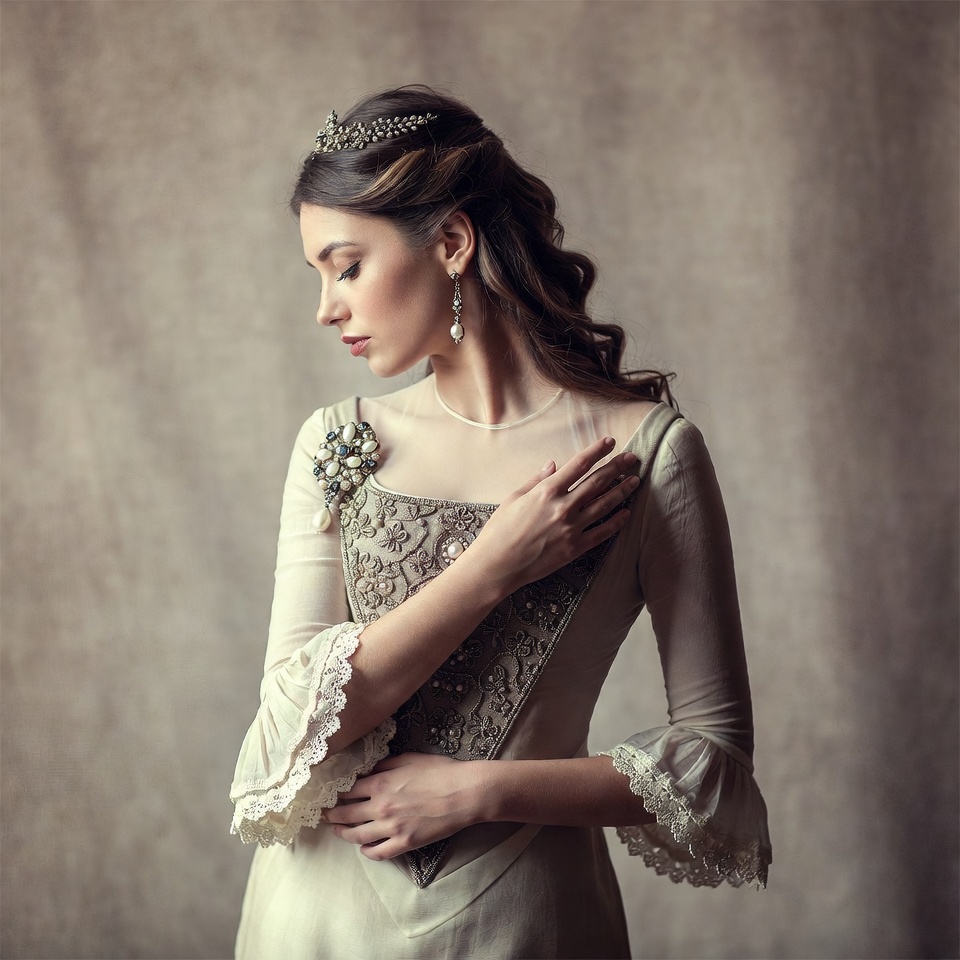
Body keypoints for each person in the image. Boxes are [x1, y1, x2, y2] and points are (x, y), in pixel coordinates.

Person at [229, 86, 771, 960]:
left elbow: (714, 762)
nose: (326, 307)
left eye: (347, 266)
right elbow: (299, 732)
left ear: (450, 243)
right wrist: (493, 566)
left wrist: (482, 791)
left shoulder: (650, 452)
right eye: (318, 275)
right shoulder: (337, 443)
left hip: (527, 919)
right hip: (316, 919)